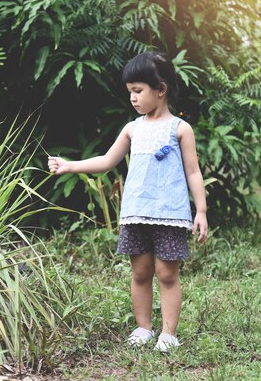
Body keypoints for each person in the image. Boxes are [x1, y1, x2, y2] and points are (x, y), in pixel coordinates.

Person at [47, 51, 208, 352]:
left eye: (138, 91)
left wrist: (201, 210)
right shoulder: (132, 128)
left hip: (169, 214)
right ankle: (143, 327)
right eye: (130, 92)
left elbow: (193, 171)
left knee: (167, 274)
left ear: (161, 89)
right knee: (140, 272)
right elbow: (107, 160)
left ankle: (169, 334)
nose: (133, 98)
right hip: (136, 213)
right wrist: (70, 165)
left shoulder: (180, 129)